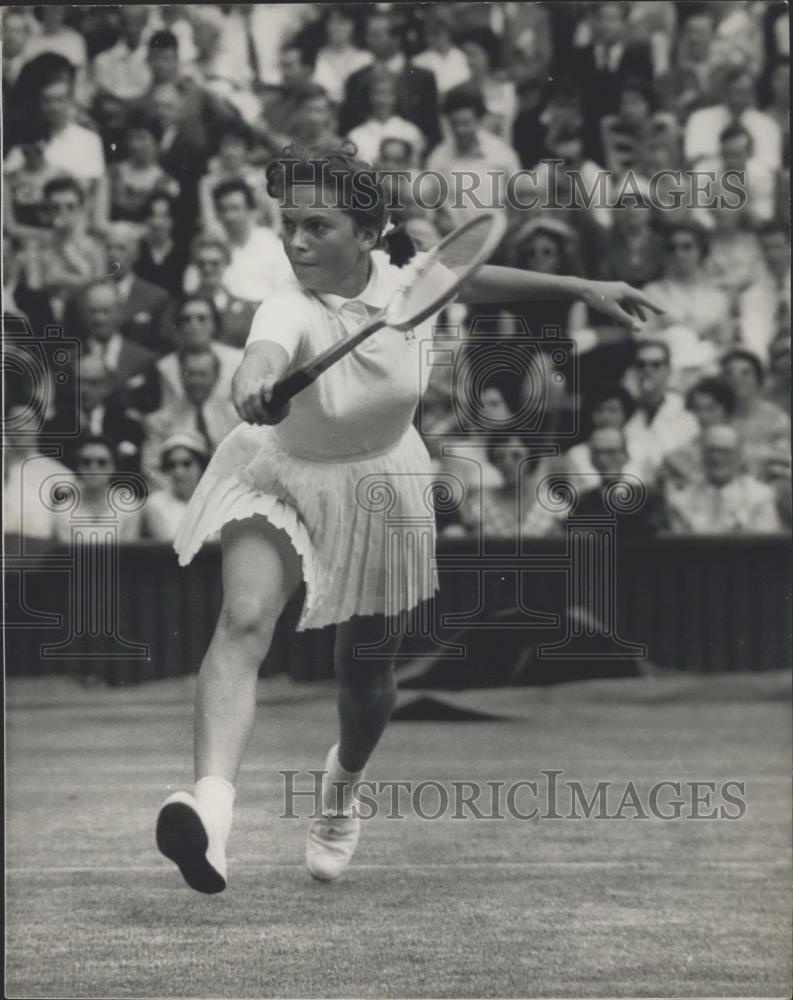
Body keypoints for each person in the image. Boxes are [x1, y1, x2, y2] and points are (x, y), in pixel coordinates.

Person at [154, 146, 663, 894]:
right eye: (288, 223)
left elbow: (472, 272)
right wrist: (253, 383)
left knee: (366, 670)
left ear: (366, 233)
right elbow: (259, 358)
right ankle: (211, 815)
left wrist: (580, 285)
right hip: (278, 471)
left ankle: (340, 792)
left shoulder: (407, 274)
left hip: (380, 483)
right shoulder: (285, 303)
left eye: (315, 226)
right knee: (243, 618)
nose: (295, 242)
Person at [665, 424, 782, 534]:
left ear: (739, 456)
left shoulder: (760, 497)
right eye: (711, 451)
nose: (716, 458)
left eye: (724, 452)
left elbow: (765, 548)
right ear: (701, 455)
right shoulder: (681, 501)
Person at [623, 339, 699, 486]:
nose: (647, 371)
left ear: (668, 370)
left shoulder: (687, 416)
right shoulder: (626, 415)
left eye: (656, 365)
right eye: (641, 365)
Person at [211, 179, 293, 302]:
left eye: (235, 208)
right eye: (223, 210)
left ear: (250, 210)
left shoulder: (272, 245)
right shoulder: (214, 248)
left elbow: (285, 292)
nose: (229, 216)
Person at [56, 434, 143, 544]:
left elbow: (129, 552)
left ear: (113, 467)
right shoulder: (64, 509)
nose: (93, 468)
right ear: (77, 467)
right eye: (86, 462)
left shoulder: (128, 506)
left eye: (102, 462)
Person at [720, 348, 790, 478]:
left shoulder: (776, 419)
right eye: (729, 373)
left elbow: (782, 464)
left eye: (745, 373)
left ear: (758, 379)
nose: (737, 379)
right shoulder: (717, 417)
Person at [661, 376, 738, 488]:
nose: (703, 416)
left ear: (726, 409)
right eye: (697, 409)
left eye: (711, 409)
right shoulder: (680, 455)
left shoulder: (741, 448)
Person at [189, 236, 258, 350]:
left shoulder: (246, 310)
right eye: (202, 263)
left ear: (226, 263)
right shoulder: (183, 305)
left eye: (214, 263)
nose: (207, 268)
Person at [345, 69, 425, 166]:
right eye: (376, 93)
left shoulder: (411, 132)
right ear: (368, 96)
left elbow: (414, 169)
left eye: (387, 93)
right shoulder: (355, 135)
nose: (381, 100)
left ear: (396, 96)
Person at [143, 432, 210, 542]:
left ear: (201, 466)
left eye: (186, 463)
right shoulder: (155, 504)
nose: (179, 472)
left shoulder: (215, 501)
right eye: (172, 465)